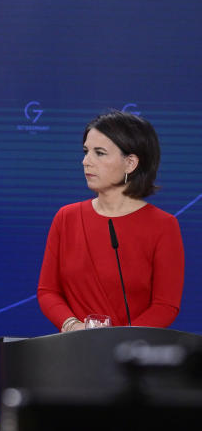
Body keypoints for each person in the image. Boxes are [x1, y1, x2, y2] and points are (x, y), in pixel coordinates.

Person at [37, 110, 184, 332]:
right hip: (74, 351)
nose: (86, 161)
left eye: (100, 153)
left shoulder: (164, 226)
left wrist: (119, 341)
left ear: (130, 163)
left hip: (132, 355)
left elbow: (165, 306)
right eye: (86, 151)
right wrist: (72, 326)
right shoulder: (66, 218)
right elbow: (47, 291)